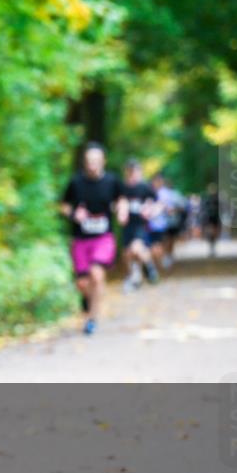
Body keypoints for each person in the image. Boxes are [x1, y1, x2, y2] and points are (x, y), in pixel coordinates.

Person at [60, 142, 128, 335]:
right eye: (89, 161)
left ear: (103, 161)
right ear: (85, 162)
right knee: (82, 283)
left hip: (103, 238)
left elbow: (121, 199)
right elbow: (63, 205)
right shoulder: (75, 182)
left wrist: (122, 211)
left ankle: (92, 319)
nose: (93, 164)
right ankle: (90, 300)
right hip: (80, 239)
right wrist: (74, 214)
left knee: (97, 274)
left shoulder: (112, 181)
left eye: (96, 160)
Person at [120, 159, 159, 292]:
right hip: (127, 226)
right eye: (130, 172)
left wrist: (150, 210)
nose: (132, 174)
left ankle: (150, 268)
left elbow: (157, 203)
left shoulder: (144, 187)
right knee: (127, 254)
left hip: (141, 226)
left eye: (135, 171)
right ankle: (135, 276)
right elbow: (116, 203)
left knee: (136, 248)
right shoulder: (122, 188)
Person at [149, 174, 181, 270]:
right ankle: (157, 264)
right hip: (149, 225)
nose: (156, 183)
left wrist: (166, 209)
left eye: (158, 181)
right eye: (155, 181)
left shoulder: (166, 193)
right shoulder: (150, 191)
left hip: (163, 224)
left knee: (164, 243)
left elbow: (172, 208)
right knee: (154, 246)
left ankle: (163, 260)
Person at [201, 183, 223, 257]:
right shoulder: (207, 198)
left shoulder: (217, 199)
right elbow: (203, 208)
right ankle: (211, 245)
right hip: (209, 218)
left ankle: (212, 246)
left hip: (215, 218)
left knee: (214, 233)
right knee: (211, 233)